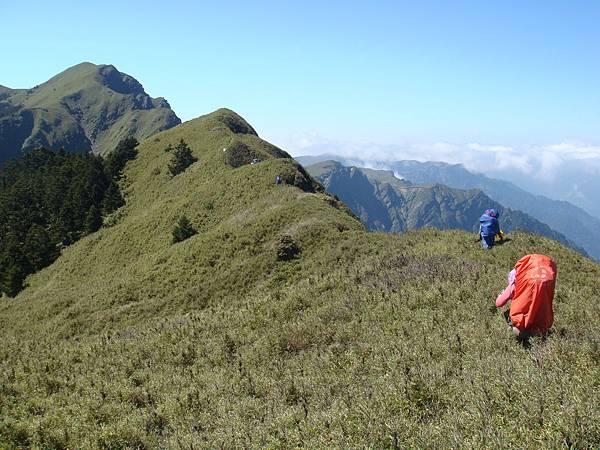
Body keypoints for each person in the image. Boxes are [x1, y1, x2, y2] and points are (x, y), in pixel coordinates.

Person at [495, 254, 557, 339]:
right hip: (542, 328)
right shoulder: (546, 286)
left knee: (506, 313)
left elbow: (499, 303)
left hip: (522, 327)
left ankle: (515, 337)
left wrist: (501, 295)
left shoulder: (516, 284)